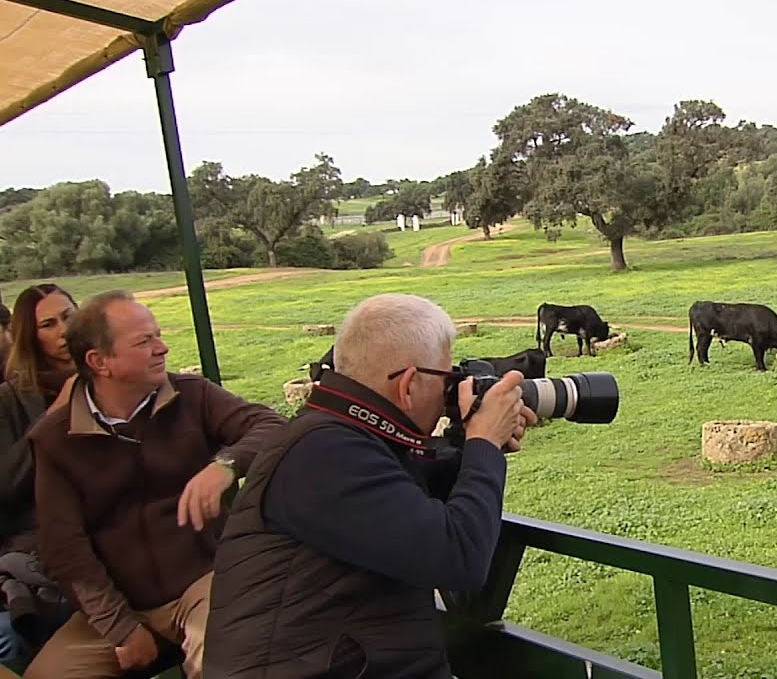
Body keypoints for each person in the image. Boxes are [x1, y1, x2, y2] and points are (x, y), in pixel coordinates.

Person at [205, 293, 536, 679]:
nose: (452, 392)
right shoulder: (323, 453)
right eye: (448, 380)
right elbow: (459, 556)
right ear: (409, 384)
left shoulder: (338, 436)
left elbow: (405, 508)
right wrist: (484, 444)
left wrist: (469, 445)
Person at [23, 289, 287, 679]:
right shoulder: (54, 440)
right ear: (100, 362)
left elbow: (271, 425)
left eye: (158, 335)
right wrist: (121, 628)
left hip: (205, 580)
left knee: (229, 660)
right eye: (144, 341)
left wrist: (225, 465)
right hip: (118, 604)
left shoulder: (191, 394)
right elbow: (64, 549)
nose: (162, 348)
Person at [0, 284, 78, 674]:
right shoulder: (11, 400)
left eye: (68, 316)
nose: (63, 331)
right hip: (37, 545)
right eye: (48, 324)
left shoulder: (109, 379)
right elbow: (5, 486)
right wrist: (53, 420)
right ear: (31, 335)